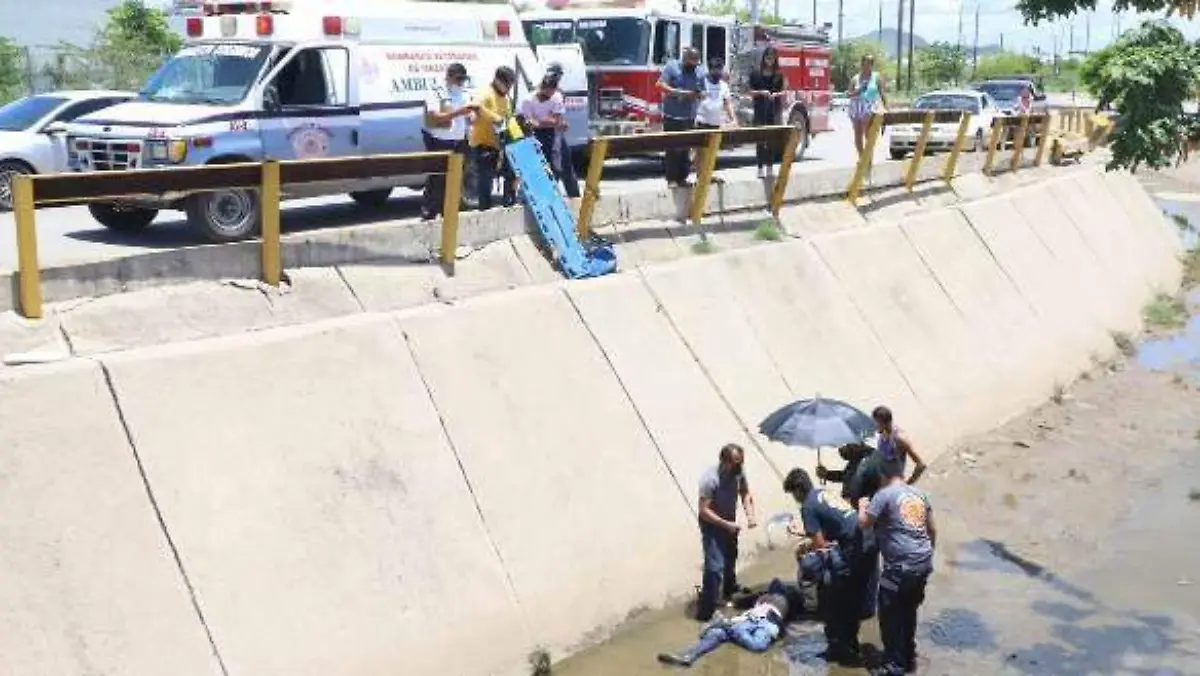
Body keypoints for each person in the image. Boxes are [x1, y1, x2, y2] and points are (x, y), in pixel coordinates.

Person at [782, 467, 870, 667]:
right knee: (851, 600)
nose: (794, 498)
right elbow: (835, 525)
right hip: (865, 542)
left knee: (834, 598)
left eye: (793, 493)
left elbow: (820, 546)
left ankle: (840, 649)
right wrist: (808, 535)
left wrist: (804, 543)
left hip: (849, 551)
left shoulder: (807, 506)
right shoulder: (823, 493)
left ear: (798, 490)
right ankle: (850, 645)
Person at [858, 460, 937, 676]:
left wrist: (862, 505)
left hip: (899, 569)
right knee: (908, 609)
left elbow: (863, 523)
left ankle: (894, 665)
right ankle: (909, 656)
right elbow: (932, 530)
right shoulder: (919, 493)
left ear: (882, 474)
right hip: (923, 563)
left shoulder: (883, 495)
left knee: (889, 612)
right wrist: (927, 558)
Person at [658, 579, 791, 667]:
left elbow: (737, 603)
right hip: (763, 621)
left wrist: (727, 603)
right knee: (758, 645)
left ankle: (689, 655)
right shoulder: (784, 600)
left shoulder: (763, 597)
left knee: (718, 634)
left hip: (750, 620)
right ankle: (690, 653)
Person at [696, 443, 758, 621]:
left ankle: (729, 590)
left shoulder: (738, 473)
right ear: (724, 461)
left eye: (741, 463)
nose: (740, 466)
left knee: (731, 556)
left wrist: (750, 515)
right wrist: (725, 524)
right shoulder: (710, 479)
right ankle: (706, 610)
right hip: (712, 523)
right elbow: (703, 510)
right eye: (736, 463)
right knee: (715, 567)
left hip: (730, 521)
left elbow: (745, 492)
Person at [421, 62, 476, 221]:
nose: (460, 83)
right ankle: (429, 211)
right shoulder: (437, 93)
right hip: (439, 142)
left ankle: (448, 211)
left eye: (463, 80)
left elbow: (468, 118)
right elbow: (433, 117)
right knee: (436, 178)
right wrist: (458, 112)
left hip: (459, 142)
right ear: (449, 77)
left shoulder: (465, 94)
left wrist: (471, 118)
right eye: (458, 79)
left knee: (454, 179)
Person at [519, 74, 580, 198]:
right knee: (541, 169)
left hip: (554, 133)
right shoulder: (528, 100)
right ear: (542, 88)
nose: (549, 96)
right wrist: (548, 121)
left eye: (552, 92)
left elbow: (556, 120)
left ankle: (575, 197)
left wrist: (541, 121)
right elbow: (529, 123)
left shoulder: (556, 97)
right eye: (547, 92)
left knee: (565, 166)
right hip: (536, 135)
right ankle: (542, 196)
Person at [469, 66, 517, 211]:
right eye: (507, 84)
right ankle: (484, 210)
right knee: (486, 182)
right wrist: (495, 118)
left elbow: (507, 118)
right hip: (483, 145)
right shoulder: (485, 94)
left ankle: (509, 204)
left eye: (510, 85)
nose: (509, 88)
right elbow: (475, 107)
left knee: (512, 173)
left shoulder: (505, 98)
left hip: (500, 146)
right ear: (497, 80)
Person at [656, 47, 705, 187]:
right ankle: (671, 179)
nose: (693, 66)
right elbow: (660, 84)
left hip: (689, 116)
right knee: (672, 149)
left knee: (685, 149)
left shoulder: (699, 72)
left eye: (695, 63)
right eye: (690, 62)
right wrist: (678, 93)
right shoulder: (672, 67)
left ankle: (682, 178)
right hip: (672, 115)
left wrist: (698, 94)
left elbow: (702, 90)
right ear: (684, 59)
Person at [747, 46, 788, 178]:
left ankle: (770, 167)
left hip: (773, 109)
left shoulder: (779, 74)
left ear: (775, 59)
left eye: (772, 58)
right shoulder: (756, 73)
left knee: (771, 139)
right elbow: (750, 91)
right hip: (759, 108)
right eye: (767, 58)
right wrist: (761, 92)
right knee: (760, 139)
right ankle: (760, 168)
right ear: (764, 58)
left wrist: (776, 94)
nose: (769, 61)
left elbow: (784, 91)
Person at [872, 406, 927, 485]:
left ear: (883, 423)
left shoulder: (899, 438)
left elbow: (921, 465)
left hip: (895, 485)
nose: (875, 425)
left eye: (876, 422)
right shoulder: (882, 434)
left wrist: (908, 483)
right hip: (884, 483)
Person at [848, 54, 889, 158]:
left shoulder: (876, 77)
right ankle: (862, 159)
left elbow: (882, 93)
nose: (867, 65)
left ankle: (868, 160)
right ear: (862, 64)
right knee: (858, 134)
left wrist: (886, 108)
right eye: (865, 63)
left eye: (870, 63)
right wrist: (859, 90)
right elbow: (849, 94)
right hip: (856, 105)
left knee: (868, 134)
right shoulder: (855, 78)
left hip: (870, 106)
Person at [695, 57, 737, 132]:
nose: (719, 72)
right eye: (716, 69)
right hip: (701, 124)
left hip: (717, 126)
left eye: (720, 69)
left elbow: (728, 104)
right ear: (710, 69)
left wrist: (733, 119)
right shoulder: (701, 83)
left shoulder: (724, 85)